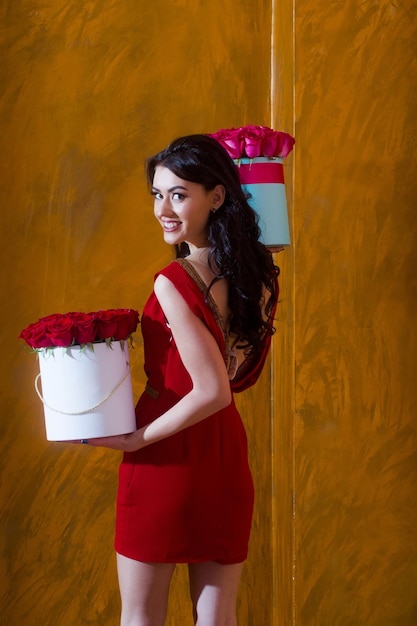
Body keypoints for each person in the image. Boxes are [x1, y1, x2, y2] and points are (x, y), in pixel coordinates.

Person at [85, 134, 279, 626]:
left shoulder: (172, 281)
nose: (163, 209)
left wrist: (134, 437)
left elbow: (211, 391)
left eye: (179, 193)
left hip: (164, 454)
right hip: (223, 454)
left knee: (141, 617)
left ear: (216, 197)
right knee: (217, 619)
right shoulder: (256, 272)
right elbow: (234, 379)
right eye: (157, 194)